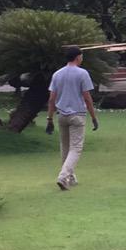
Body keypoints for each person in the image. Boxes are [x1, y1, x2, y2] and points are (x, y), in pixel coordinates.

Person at [45, 46, 99, 190]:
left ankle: (71, 177)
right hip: (77, 115)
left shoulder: (57, 74)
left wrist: (49, 119)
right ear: (77, 57)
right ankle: (63, 176)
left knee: (65, 147)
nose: (82, 59)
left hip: (61, 115)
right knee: (76, 148)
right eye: (81, 56)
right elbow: (87, 98)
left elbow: (51, 99)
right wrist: (94, 117)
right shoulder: (82, 73)